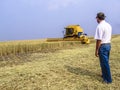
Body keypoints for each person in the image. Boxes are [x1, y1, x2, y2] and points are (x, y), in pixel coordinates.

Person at [94, 12, 112, 84]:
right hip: (108, 45)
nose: (96, 19)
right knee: (105, 62)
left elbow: (99, 39)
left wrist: (96, 50)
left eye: (96, 18)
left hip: (103, 46)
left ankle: (108, 80)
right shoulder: (108, 25)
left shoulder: (99, 26)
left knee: (104, 63)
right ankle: (104, 75)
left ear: (98, 18)